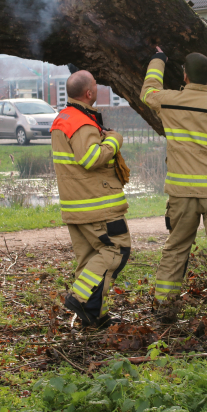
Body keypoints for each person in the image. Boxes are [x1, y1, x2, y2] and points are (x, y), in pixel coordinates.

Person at [140, 47, 207, 318]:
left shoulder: (170, 101)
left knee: (176, 248)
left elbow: (148, 92)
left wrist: (158, 60)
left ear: (185, 76)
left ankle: (164, 306)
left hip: (182, 193)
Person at [52, 70, 131, 328]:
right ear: (88, 93)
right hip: (97, 206)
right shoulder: (81, 123)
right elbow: (90, 158)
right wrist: (114, 141)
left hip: (76, 206)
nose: (98, 87)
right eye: (96, 84)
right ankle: (78, 298)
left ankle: (96, 316)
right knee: (116, 250)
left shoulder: (63, 118)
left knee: (89, 262)